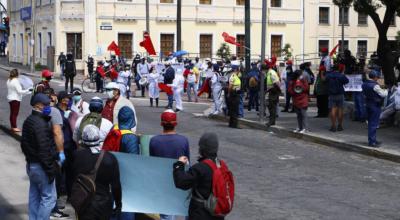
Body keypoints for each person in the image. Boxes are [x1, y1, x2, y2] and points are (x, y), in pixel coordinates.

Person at [72, 125, 122, 220]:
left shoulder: (76, 156)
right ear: (99, 138)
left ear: (83, 138)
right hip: (103, 204)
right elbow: (116, 185)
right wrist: (118, 204)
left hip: (83, 202)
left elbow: (71, 178)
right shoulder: (110, 158)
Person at [173, 133, 227, 220]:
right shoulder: (222, 165)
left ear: (202, 149)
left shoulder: (200, 168)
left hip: (201, 213)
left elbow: (181, 182)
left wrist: (179, 165)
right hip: (217, 213)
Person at [21, 94, 59, 220]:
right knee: (49, 198)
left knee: (34, 195)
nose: (49, 107)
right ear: (38, 105)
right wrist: (50, 169)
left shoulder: (29, 120)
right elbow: (44, 150)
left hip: (32, 165)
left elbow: (24, 144)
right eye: (46, 105)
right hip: (41, 166)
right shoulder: (40, 124)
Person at [150, 109, 190, 220]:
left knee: (166, 214)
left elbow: (151, 163)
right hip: (179, 180)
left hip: (161, 182)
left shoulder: (154, 141)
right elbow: (187, 162)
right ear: (175, 124)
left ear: (161, 123)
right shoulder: (183, 140)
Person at [362, 70, 388, 147]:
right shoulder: (375, 86)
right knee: (374, 124)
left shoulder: (364, 84)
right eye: (377, 77)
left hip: (368, 104)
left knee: (371, 123)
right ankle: (372, 141)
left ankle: (373, 140)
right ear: (375, 77)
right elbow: (383, 94)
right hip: (375, 105)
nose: (378, 79)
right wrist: (386, 89)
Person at [325, 64, 349, 132]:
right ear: (339, 68)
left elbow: (325, 80)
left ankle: (333, 126)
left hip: (331, 94)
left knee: (333, 110)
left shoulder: (329, 75)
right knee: (340, 110)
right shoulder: (341, 75)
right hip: (340, 94)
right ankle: (340, 125)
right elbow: (347, 81)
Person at [265, 60, 281, 127]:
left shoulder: (271, 73)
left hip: (273, 91)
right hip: (271, 91)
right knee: (271, 106)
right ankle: (272, 121)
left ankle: (271, 121)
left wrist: (278, 90)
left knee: (272, 107)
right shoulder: (269, 73)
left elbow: (277, 83)